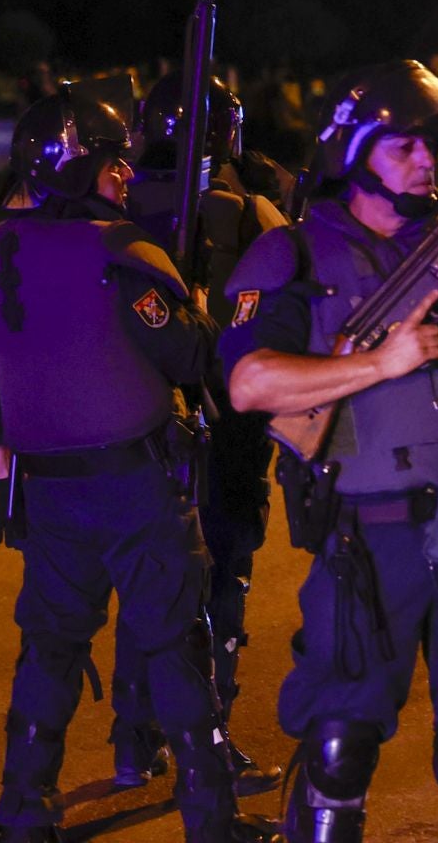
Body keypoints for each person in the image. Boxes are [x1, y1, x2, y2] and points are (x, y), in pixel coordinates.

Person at [223, 59, 438, 843]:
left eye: (433, 147)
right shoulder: (292, 255)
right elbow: (248, 385)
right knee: (340, 747)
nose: (426, 160)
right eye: (405, 144)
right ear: (356, 151)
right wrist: (379, 364)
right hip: (369, 532)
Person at [0, 86, 275, 843]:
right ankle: (213, 822)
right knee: (174, 647)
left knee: (50, 649)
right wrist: (188, 298)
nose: (125, 173)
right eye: (111, 161)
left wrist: (6, 484)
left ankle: (24, 814)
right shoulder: (122, 256)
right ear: (76, 166)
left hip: (49, 495)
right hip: (139, 489)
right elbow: (194, 358)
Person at [109, 71, 292, 796]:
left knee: (148, 583)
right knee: (221, 582)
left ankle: (134, 741)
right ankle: (209, 744)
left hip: (139, 425)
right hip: (224, 419)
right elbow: (288, 299)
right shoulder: (248, 212)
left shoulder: (113, 212)